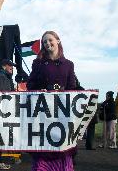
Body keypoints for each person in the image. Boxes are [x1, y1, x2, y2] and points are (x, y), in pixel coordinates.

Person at [26, 30, 76, 171]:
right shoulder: (38, 63)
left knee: (62, 148)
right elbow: (30, 85)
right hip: (43, 114)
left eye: (50, 40)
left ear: (58, 41)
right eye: (45, 42)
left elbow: (72, 87)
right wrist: (39, 90)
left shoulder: (69, 65)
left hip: (62, 114)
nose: (48, 43)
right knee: (44, 149)